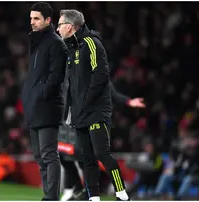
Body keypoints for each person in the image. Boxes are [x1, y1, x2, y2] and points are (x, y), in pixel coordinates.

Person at [57, 9, 130, 201]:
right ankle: (93, 198)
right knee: (87, 158)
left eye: (60, 24)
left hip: (96, 111)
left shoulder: (91, 43)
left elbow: (101, 76)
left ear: (70, 26)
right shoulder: (71, 50)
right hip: (80, 113)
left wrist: (85, 103)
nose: (57, 29)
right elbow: (73, 86)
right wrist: (69, 112)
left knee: (102, 154)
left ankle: (122, 195)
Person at [59, 81, 146, 201]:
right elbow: (68, 98)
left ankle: (121, 194)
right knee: (73, 157)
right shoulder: (74, 74)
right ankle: (86, 193)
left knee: (100, 157)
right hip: (79, 125)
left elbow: (114, 95)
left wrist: (129, 101)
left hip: (97, 122)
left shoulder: (99, 74)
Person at [21, 2, 67, 200]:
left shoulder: (56, 43)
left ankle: (51, 198)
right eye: (31, 18)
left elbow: (56, 77)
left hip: (47, 107)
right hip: (35, 106)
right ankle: (48, 196)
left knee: (48, 155)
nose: (32, 22)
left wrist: (40, 96)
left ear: (48, 20)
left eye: (36, 18)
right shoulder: (37, 42)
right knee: (41, 158)